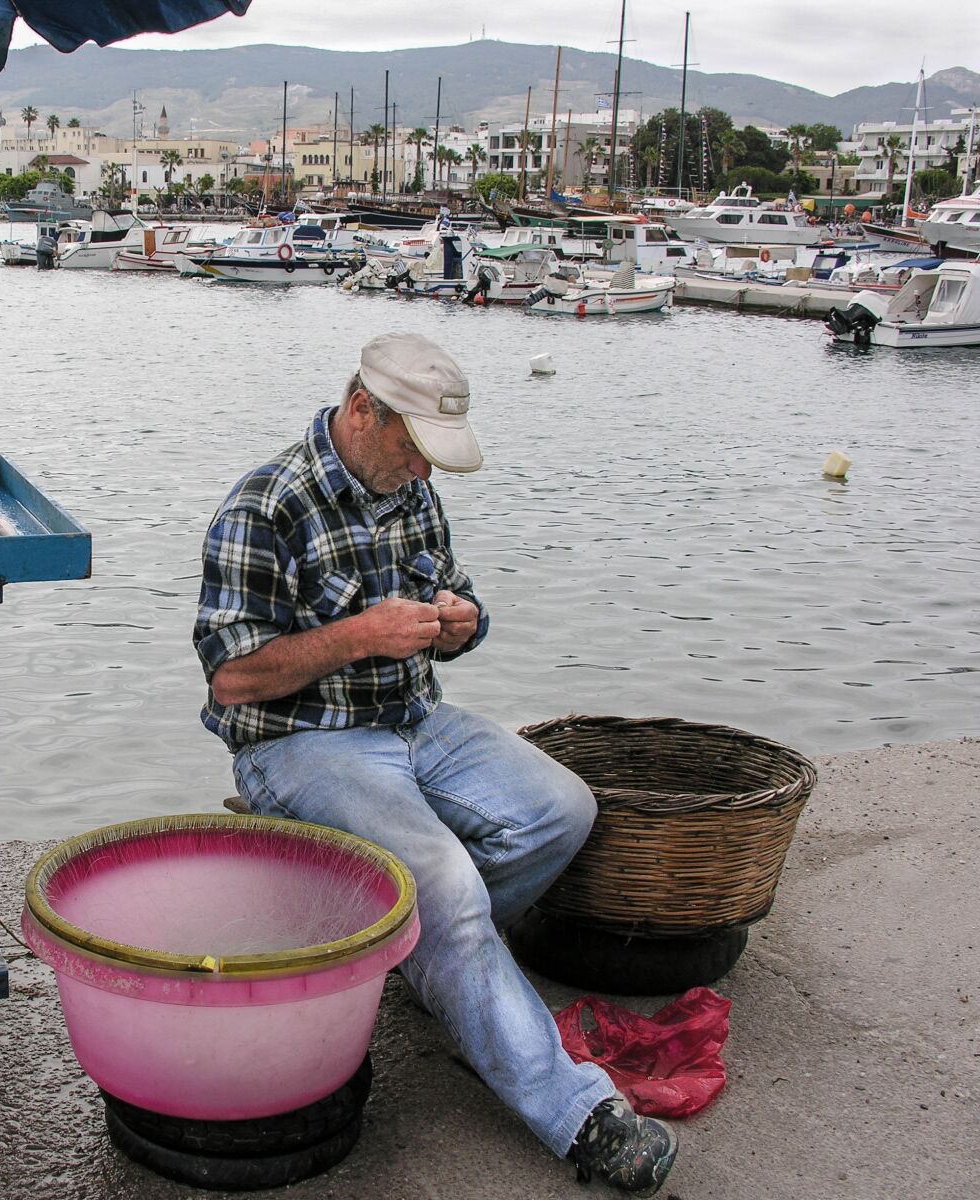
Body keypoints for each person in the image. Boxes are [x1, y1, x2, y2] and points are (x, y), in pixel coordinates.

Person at [192, 332, 679, 1197]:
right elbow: (232, 678)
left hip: (419, 720)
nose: (426, 472)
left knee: (563, 809)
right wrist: (357, 637)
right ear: (362, 410)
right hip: (301, 741)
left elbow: (457, 606)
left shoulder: (411, 491)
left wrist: (463, 621)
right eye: (416, 448)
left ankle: (437, 965)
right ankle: (577, 1112)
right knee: (445, 887)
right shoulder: (265, 504)